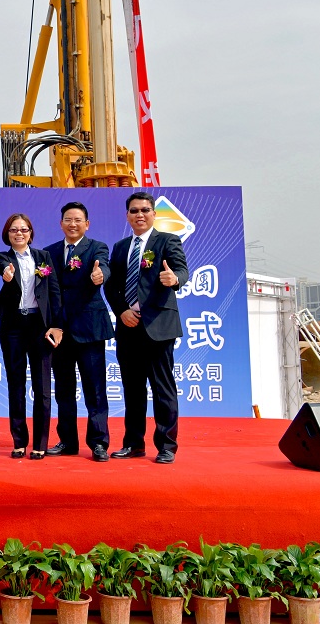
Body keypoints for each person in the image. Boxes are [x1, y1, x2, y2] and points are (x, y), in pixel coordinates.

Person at [104, 191, 189, 464]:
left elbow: (182, 270)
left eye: (144, 210)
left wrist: (174, 278)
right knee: (133, 389)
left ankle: (166, 446)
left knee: (163, 389)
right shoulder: (120, 247)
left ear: (153, 214)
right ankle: (133, 444)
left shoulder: (167, 240)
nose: (139, 215)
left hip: (159, 326)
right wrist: (122, 311)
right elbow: (111, 286)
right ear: (127, 216)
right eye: (134, 211)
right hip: (128, 326)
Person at [43, 201, 115, 462]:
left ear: (87, 224)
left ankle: (98, 442)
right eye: (68, 219)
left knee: (95, 389)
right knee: (63, 390)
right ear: (61, 223)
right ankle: (67, 441)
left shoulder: (96, 247)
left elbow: (104, 266)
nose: (72, 224)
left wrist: (100, 275)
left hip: (89, 329)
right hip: (60, 331)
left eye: (77, 220)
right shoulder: (49, 252)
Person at [0, 213, 63, 460]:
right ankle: (19, 441)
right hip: (13, 326)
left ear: (30, 233)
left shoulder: (43, 257)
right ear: (7, 234)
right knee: (16, 384)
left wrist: (57, 325)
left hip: (39, 325)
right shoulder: (3, 258)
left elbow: (54, 292)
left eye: (23, 229)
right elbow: (2, 268)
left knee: (42, 387)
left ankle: (40, 443)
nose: (19, 233)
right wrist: (7, 274)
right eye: (14, 230)